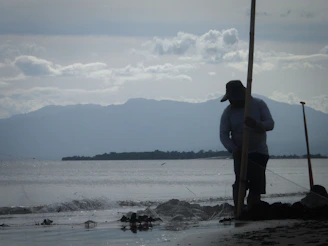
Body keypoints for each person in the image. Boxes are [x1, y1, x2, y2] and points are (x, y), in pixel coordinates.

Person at [219, 80, 274, 211]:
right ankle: (238, 209)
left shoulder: (258, 105)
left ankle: (253, 209)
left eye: (233, 99)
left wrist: (256, 124)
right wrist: (233, 149)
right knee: (240, 183)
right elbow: (224, 134)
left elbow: (270, 124)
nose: (231, 102)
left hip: (259, 153)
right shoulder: (228, 112)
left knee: (256, 185)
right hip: (239, 153)